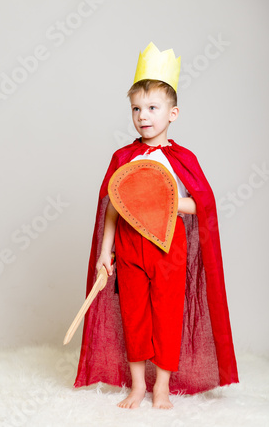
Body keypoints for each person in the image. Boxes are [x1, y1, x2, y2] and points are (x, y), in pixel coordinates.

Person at [73, 42, 239, 409]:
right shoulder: (124, 157)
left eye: (152, 108)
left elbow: (202, 205)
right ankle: (137, 386)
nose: (143, 116)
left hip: (168, 245)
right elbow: (114, 207)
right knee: (133, 314)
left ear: (173, 112)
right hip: (130, 247)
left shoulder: (182, 159)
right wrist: (105, 253)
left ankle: (161, 387)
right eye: (136, 108)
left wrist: (165, 201)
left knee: (166, 315)